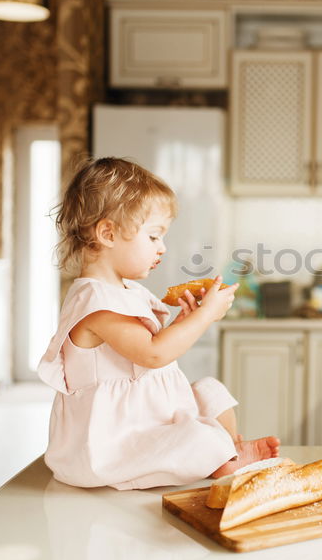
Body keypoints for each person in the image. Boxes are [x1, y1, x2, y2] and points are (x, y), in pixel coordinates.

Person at [37, 157, 279, 490]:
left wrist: (185, 321)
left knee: (211, 391)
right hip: (109, 447)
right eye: (153, 237)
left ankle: (227, 452)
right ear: (107, 233)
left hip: (143, 418)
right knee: (198, 437)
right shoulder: (94, 302)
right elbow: (152, 355)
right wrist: (205, 316)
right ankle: (221, 457)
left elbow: (139, 355)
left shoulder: (126, 292)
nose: (162, 248)